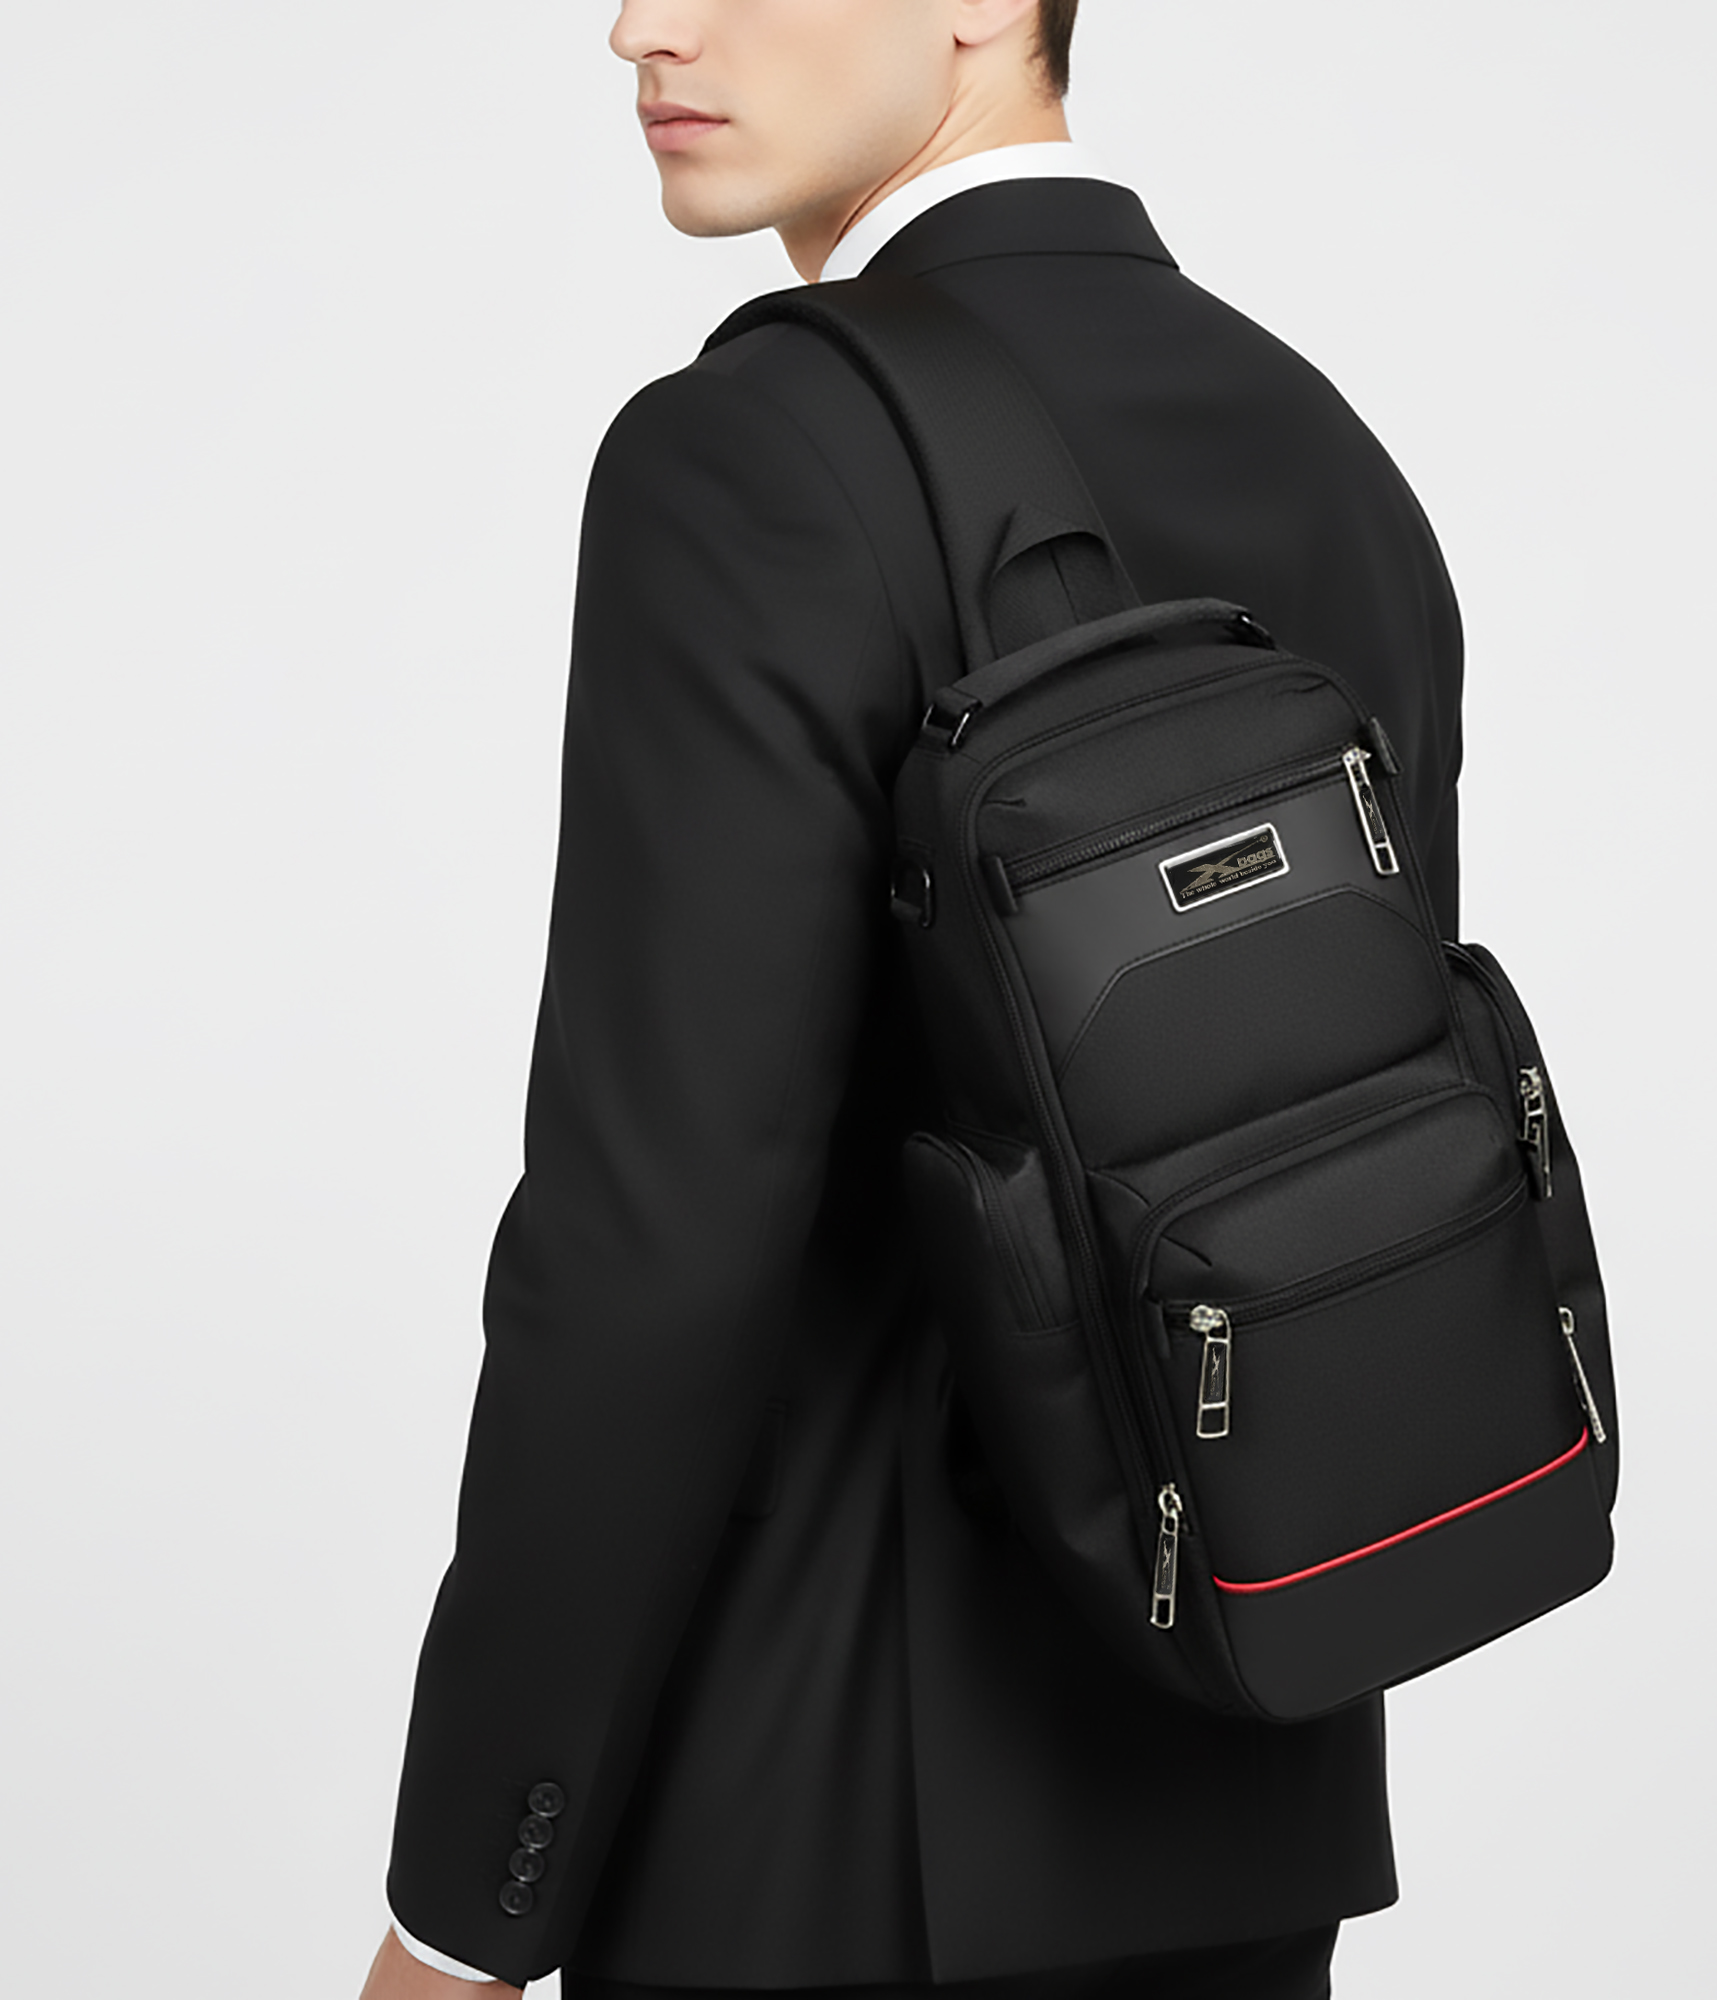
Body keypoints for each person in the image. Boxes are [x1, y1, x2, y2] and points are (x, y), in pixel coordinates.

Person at [360, 1, 1463, 1994]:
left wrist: (464, 1902)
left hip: (822, 1842)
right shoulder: (1322, 445)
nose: (638, 29)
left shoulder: (747, 458)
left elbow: (655, 1243)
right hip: (1244, 1779)